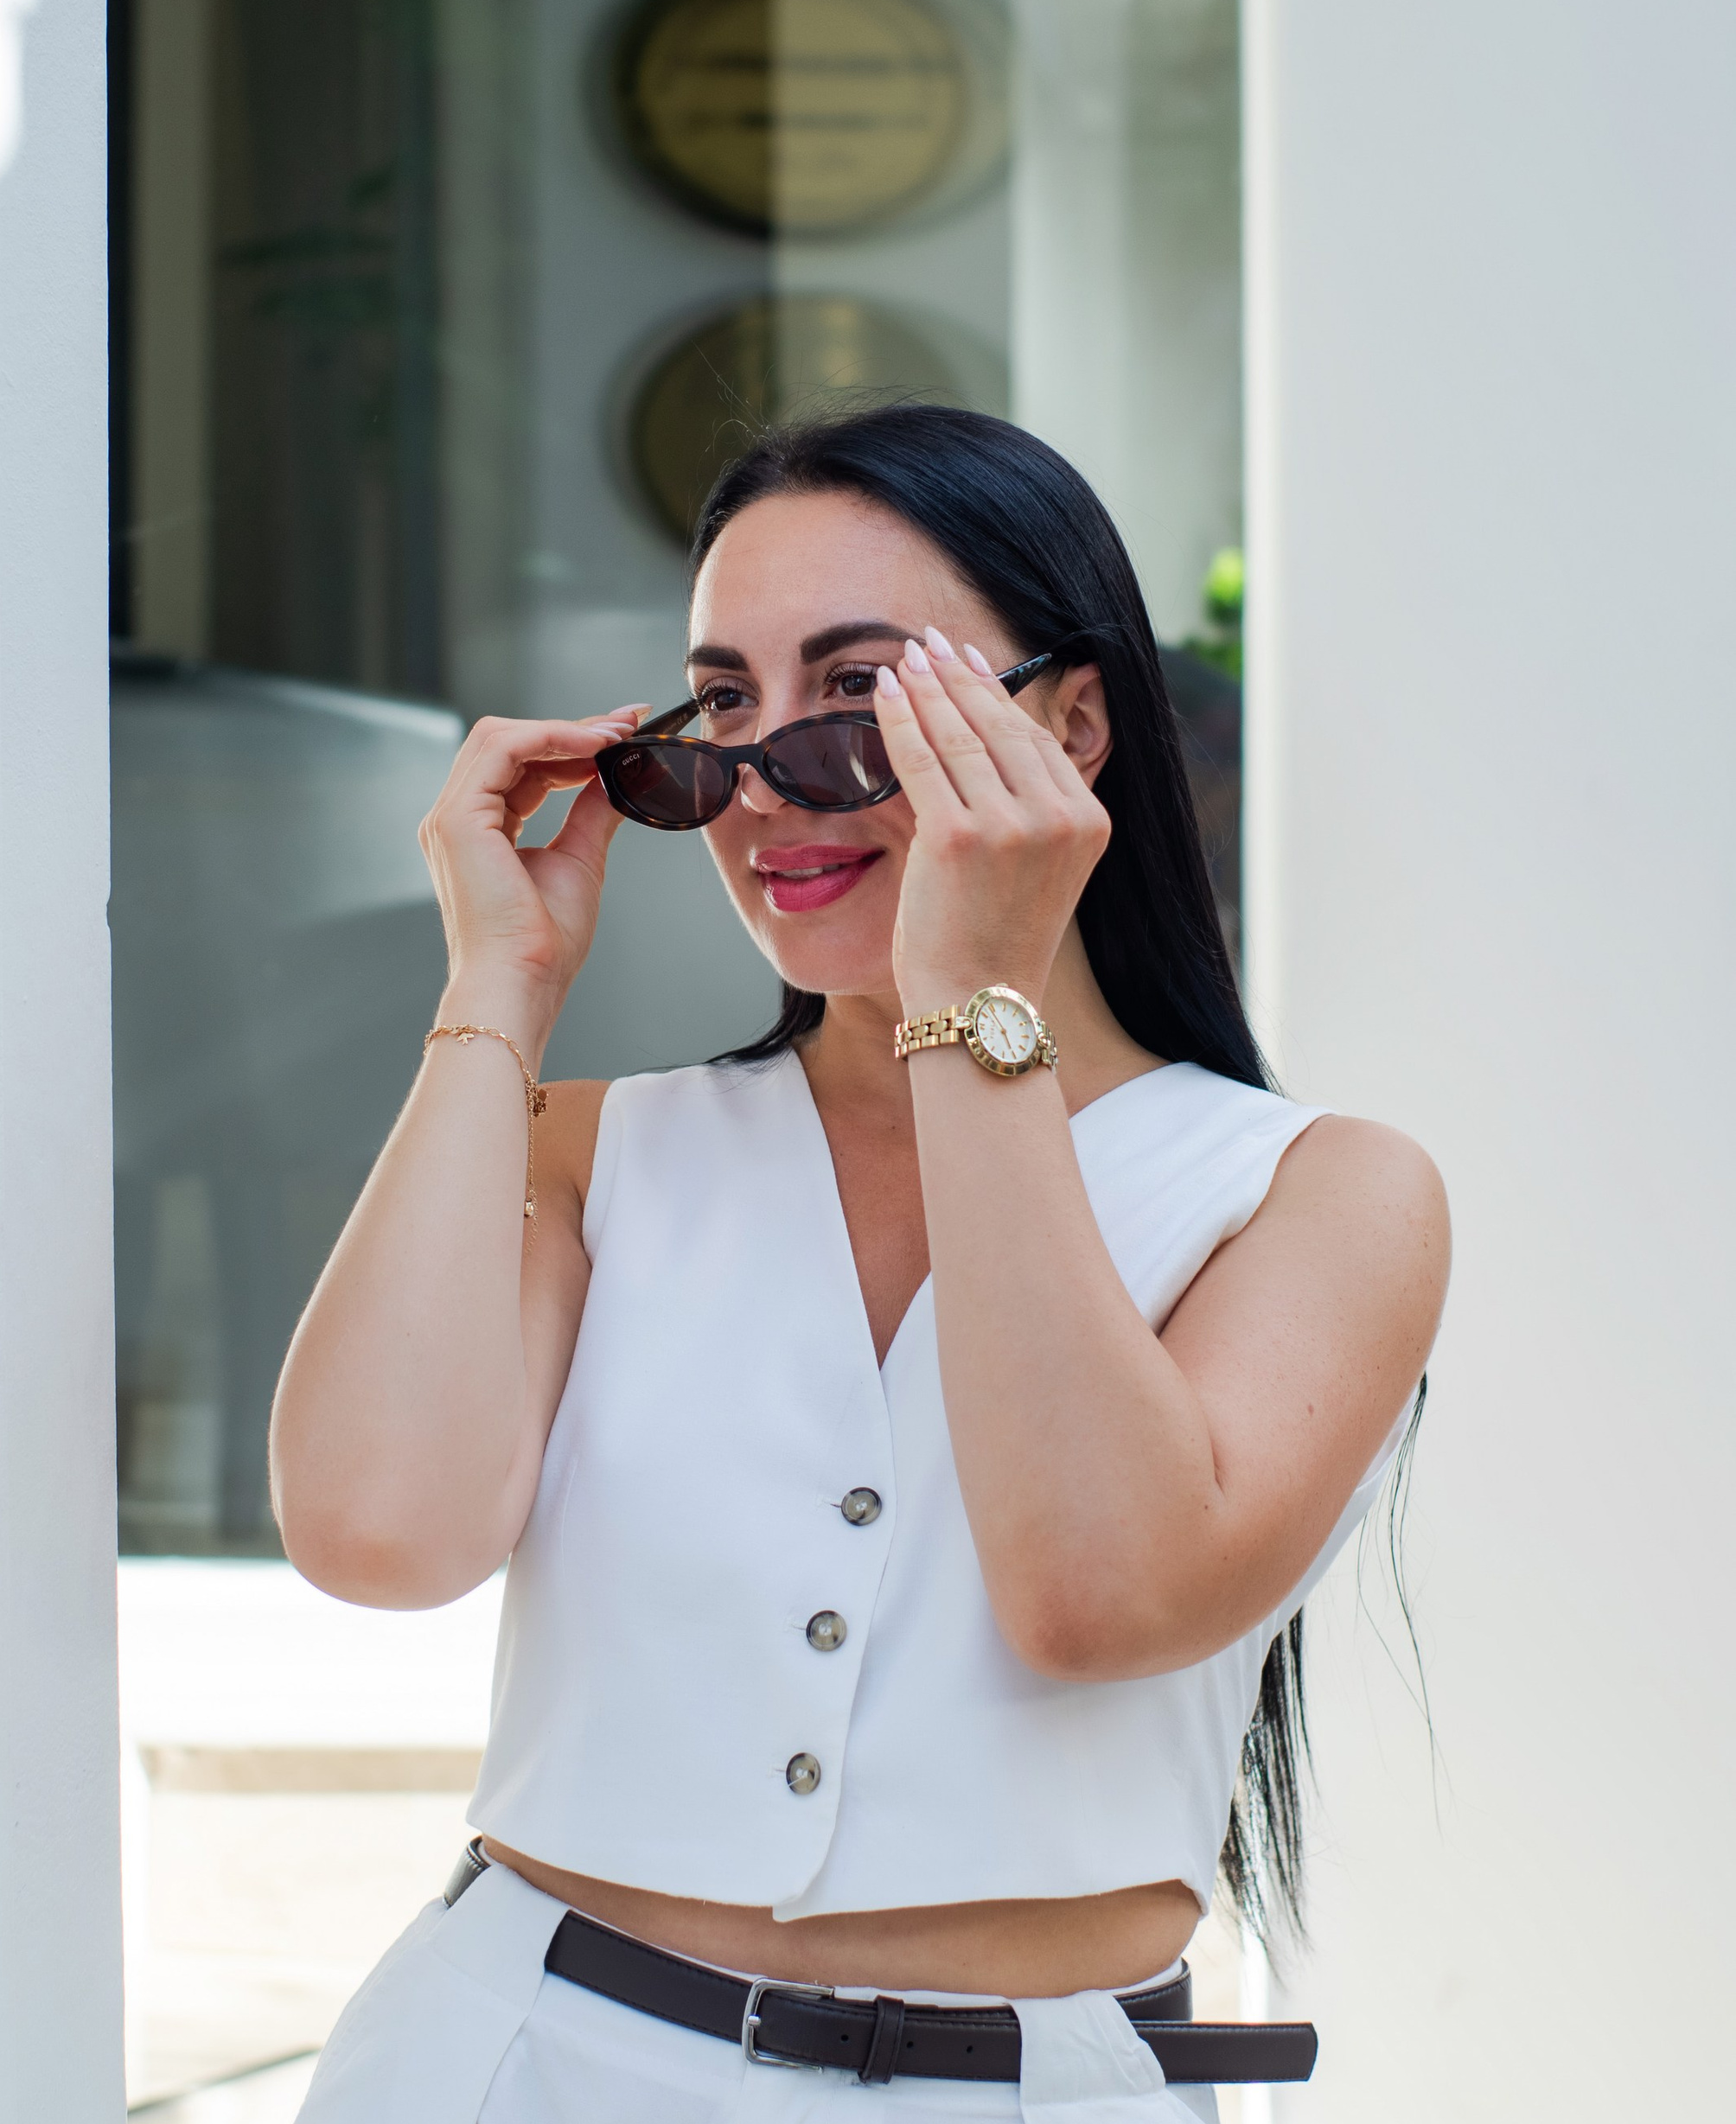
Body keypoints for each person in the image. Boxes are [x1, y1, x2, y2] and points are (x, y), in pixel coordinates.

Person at [269, 406, 1449, 2121]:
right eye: (721, 708)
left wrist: (968, 996)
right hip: (515, 2055)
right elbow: (377, 1530)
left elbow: (1098, 1589)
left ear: (1064, 723)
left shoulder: (1311, 1193)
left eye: (856, 694)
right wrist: (498, 983)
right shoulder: (590, 1149)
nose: (760, 781)